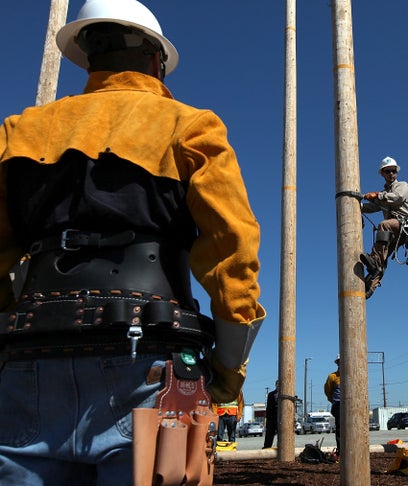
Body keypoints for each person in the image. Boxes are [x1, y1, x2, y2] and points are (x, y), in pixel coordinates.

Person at [0, 0, 265, 483]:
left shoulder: (20, 132)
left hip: (30, 358)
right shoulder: (190, 126)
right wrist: (229, 368)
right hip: (151, 364)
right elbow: (233, 249)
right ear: (155, 60)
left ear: (87, 57)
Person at [360, 156, 408, 298]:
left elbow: (396, 197)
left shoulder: (402, 185)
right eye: (388, 171)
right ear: (382, 174)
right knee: (383, 258)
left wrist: (377, 195)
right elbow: (373, 207)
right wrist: (357, 206)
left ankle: (374, 260)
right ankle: (372, 285)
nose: (391, 174)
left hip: (404, 225)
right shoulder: (384, 193)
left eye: (393, 171)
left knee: (384, 225)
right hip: (392, 233)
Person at [324, 356, 341, 455]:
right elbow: (327, 391)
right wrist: (334, 401)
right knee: (340, 428)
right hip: (338, 404)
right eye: (340, 362)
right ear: (337, 363)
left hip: (350, 405)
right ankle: (341, 450)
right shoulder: (332, 377)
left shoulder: (352, 375)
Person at [263, 380, 279, 449]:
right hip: (272, 417)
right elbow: (268, 407)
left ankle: (281, 447)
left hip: (281, 418)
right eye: (278, 384)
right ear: (276, 385)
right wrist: (266, 418)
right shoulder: (271, 394)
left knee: (281, 434)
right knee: (269, 434)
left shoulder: (285, 394)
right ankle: (266, 447)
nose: (279, 386)